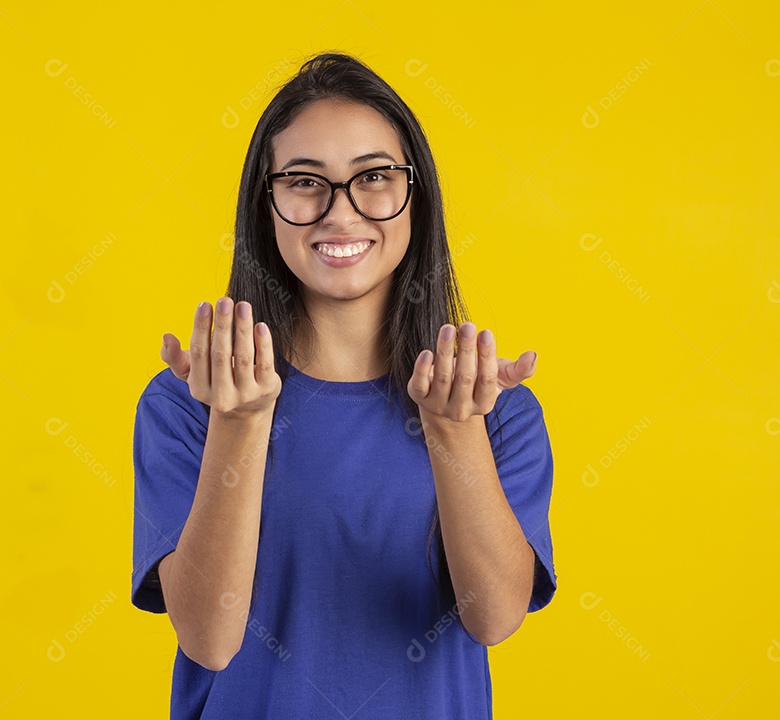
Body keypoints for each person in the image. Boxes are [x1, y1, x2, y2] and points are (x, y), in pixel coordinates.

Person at [131, 51, 557, 719]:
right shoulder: (189, 405)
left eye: (374, 177)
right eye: (305, 181)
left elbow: (495, 618)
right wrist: (238, 424)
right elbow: (210, 641)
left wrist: (453, 430)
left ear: (416, 194)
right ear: (264, 205)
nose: (341, 212)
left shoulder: (490, 409)